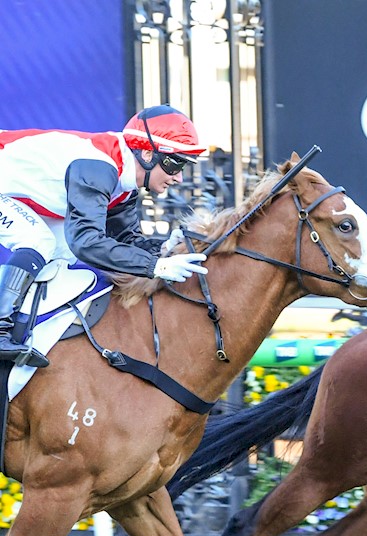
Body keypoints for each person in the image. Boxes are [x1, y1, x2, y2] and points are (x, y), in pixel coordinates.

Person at [0, 104, 210, 367]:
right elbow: (86, 242)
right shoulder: (99, 168)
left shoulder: (123, 183)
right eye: (174, 164)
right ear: (146, 153)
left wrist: (165, 248)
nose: (178, 177)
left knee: (60, 255)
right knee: (38, 241)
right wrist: (157, 266)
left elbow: (125, 241)